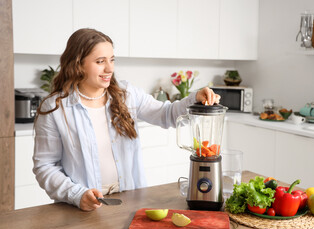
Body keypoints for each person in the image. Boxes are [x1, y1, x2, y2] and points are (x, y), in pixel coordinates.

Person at [33, 28, 220, 211]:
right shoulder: (55, 108)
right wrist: (76, 194)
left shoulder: (127, 95)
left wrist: (195, 98)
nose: (109, 69)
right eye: (100, 61)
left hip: (132, 202)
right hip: (82, 208)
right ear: (78, 64)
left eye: (112, 60)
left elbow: (167, 114)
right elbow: (45, 166)